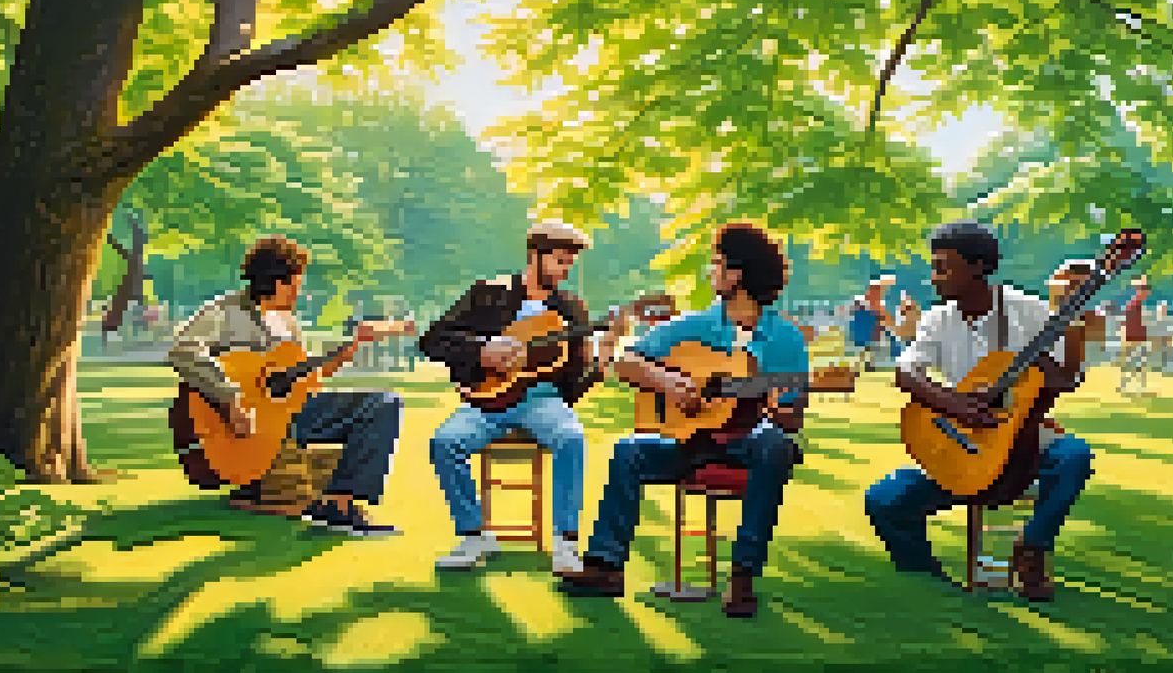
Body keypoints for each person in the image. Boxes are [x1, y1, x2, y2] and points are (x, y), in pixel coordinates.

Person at [556, 223, 807, 618]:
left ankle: (742, 577)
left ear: (737, 274)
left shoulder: (786, 338)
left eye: (717, 264)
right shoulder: (695, 325)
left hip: (750, 442)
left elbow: (792, 420)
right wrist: (668, 381)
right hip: (691, 440)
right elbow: (625, 361)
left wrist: (781, 409)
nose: (711, 271)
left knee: (776, 444)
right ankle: (604, 567)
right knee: (628, 451)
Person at [864, 221, 1091, 602]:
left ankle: (1032, 548)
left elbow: (1066, 379)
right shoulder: (938, 319)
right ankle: (929, 581)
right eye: (934, 266)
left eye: (943, 267)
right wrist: (956, 404)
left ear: (980, 267)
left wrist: (1074, 335)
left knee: (1074, 455)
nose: (934, 278)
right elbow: (906, 372)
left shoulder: (1029, 312)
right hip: (965, 446)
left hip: (1023, 446)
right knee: (883, 500)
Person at [167, 235, 404, 536]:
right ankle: (328, 504)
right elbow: (183, 351)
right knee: (379, 405)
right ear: (277, 282)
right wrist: (230, 400)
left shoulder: (288, 322)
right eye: (296, 283)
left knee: (384, 403)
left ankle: (339, 501)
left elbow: (302, 381)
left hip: (291, 416)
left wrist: (347, 352)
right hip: (244, 422)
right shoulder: (224, 312)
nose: (299, 292)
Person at [421, 222, 615, 574]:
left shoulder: (572, 309)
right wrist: (483, 351)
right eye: (559, 261)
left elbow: (573, 386)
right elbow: (433, 340)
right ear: (535, 256)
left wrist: (602, 357)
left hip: (543, 400)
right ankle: (473, 535)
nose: (564, 270)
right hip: (487, 399)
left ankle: (565, 542)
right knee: (444, 441)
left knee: (571, 437)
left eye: (569, 263)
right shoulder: (488, 293)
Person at [1118, 276, 1152, 397]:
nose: (1145, 293)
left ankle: (1137, 387)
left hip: (1139, 339)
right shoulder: (1132, 306)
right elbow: (1125, 323)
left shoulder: (1138, 307)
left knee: (1139, 365)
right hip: (1132, 339)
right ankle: (1126, 386)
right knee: (1131, 365)